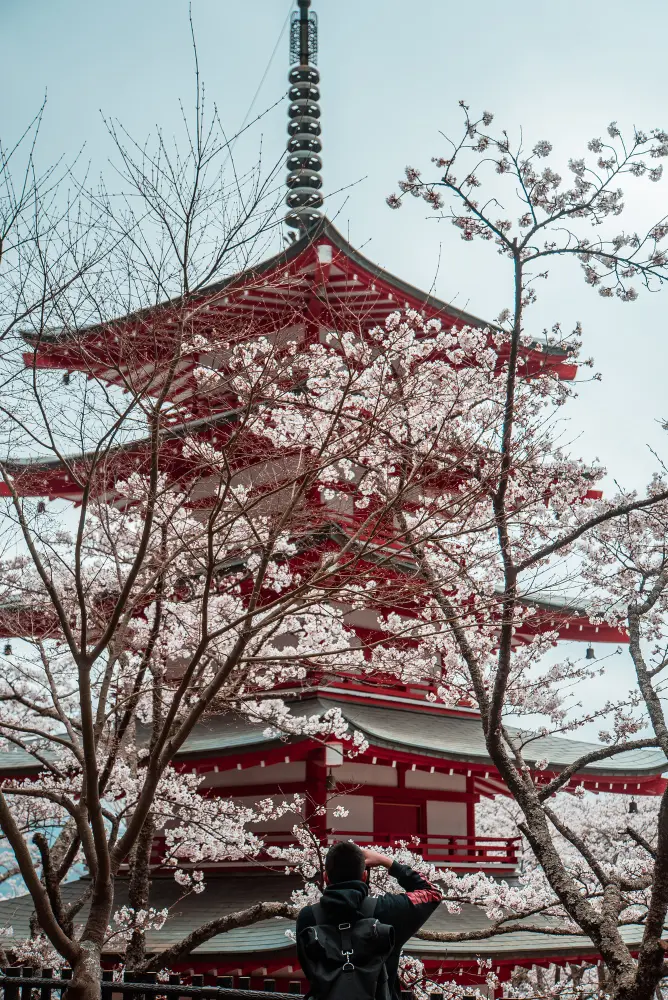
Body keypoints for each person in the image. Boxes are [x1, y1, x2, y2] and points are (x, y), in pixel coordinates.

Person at [296, 842, 443, 1000]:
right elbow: (432, 892)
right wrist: (387, 862)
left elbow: (308, 966)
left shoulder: (308, 917)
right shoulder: (387, 910)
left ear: (326, 877)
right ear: (364, 876)